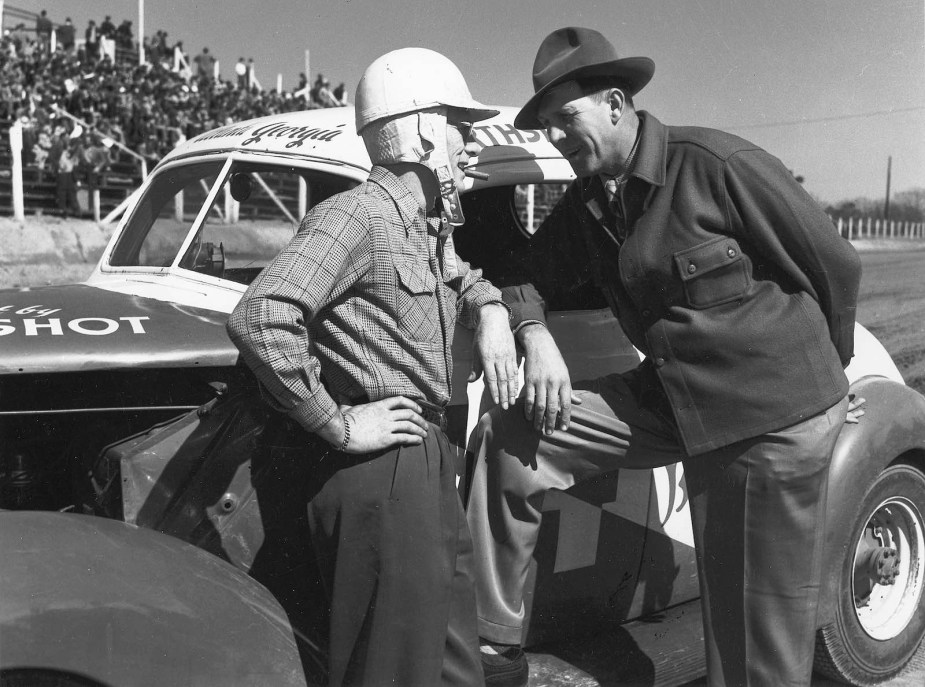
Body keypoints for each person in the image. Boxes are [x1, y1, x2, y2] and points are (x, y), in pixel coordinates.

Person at [466, 27, 863, 687]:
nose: (559, 138)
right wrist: (531, 332)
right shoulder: (589, 201)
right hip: (669, 400)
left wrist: (820, 386)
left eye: (568, 118)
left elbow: (832, 265)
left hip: (764, 421)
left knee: (747, 642)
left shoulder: (715, 165)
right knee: (512, 434)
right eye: (549, 127)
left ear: (617, 103)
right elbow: (523, 278)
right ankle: (491, 649)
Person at [226, 47, 519, 686]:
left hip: (427, 458)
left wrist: (493, 311)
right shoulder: (356, 216)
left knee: (452, 663)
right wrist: (336, 424)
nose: (472, 143)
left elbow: (459, 277)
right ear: (418, 131)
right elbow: (261, 315)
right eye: (459, 126)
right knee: (393, 668)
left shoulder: (423, 225)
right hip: (382, 468)